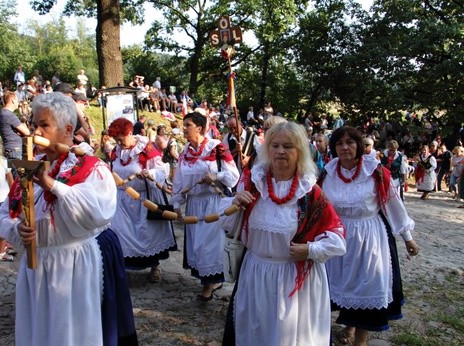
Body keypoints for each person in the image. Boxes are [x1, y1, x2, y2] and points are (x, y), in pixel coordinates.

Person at [0, 92, 137, 345]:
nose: (35, 130)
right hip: (36, 267)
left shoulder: (91, 167)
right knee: (39, 331)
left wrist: (52, 185)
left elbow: (98, 211)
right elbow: (5, 212)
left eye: (43, 125)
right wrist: (18, 230)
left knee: (69, 333)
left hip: (71, 265)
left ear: (67, 129)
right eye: (34, 124)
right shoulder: (28, 167)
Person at [221, 121, 346, 345]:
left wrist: (311, 249)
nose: (280, 151)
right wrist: (234, 203)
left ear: (299, 152)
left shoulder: (310, 192)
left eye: (288, 146)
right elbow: (229, 226)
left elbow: (337, 238)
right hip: (255, 274)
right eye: (275, 145)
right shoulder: (253, 183)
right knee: (253, 333)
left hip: (292, 280)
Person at [321, 126, 420, 346]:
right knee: (338, 285)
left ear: (359, 146)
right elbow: (320, 207)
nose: (345, 147)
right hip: (338, 237)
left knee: (366, 285)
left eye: (350, 142)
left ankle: (361, 340)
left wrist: (408, 237)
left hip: (369, 237)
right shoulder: (328, 172)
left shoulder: (374, 171)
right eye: (339, 143)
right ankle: (345, 326)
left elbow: (394, 205)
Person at [171, 112, 240, 301]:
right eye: (184, 125)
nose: (183, 128)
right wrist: (176, 203)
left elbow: (233, 175)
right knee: (197, 246)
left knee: (208, 246)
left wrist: (216, 177)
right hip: (194, 204)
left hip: (213, 203)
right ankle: (209, 282)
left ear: (199, 128)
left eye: (187, 125)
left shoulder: (216, 147)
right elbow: (178, 179)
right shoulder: (185, 151)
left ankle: (210, 285)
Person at [107, 117, 177, 283]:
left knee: (148, 233)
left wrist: (149, 173)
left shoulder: (146, 148)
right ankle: (122, 268)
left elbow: (161, 171)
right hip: (122, 199)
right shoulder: (115, 152)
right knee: (121, 233)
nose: (118, 143)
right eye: (116, 140)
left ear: (130, 133)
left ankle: (155, 266)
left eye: (121, 139)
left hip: (143, 198)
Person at [0, 92, 30, 162]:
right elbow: (27, 132)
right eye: (17, 100)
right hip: (14, 150)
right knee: (16, 171)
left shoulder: (2, 113)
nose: (18, 102)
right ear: (12, 100)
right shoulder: (9, 115)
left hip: (10, 149)